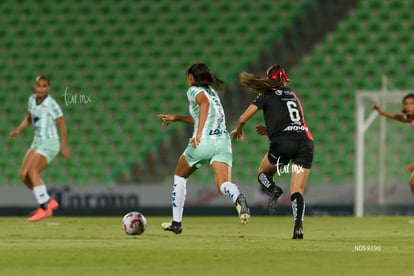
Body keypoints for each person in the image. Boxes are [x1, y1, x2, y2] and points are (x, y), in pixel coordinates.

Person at [157, 63, 250, 234]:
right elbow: (203, 116)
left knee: (179, 176)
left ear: (192, 78)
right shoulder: (213, 93)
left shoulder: (193, 91)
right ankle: (237, 196)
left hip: (204, 141)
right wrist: (176, 118)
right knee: (223, 185)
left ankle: (176, 223)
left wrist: (198, 134)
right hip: (223, 141)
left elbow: (204, 105)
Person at [230, 65, 314, 239]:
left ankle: (274, 188)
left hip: (284, 144)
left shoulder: (265, 96)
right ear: (283, 79)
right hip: (305, 143)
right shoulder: (292, 93)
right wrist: (272, 131)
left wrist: (238, 129)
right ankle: (298, 228)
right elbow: (296, 121)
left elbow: (242, 118)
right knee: (297, 190)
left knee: (262, 173)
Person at [9, 76, 69, 222]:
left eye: (44, 86)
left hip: (50, 142)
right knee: (23, 175)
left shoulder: (51, 104)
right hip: (37, 142)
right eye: (39, 85)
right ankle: (48, 201)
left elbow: (62, 125)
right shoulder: (32, 100)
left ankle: (44, 207)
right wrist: (18, 130)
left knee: (32, 171)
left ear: (48, 88)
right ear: (35, 87)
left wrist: (64, 147)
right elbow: (30, 118)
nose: (41, 88)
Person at [372, 93, 414, 195]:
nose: (408, 106)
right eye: (406, 104)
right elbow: (400, 118)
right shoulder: (411, 118)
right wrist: (382, 112)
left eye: (412, 103)